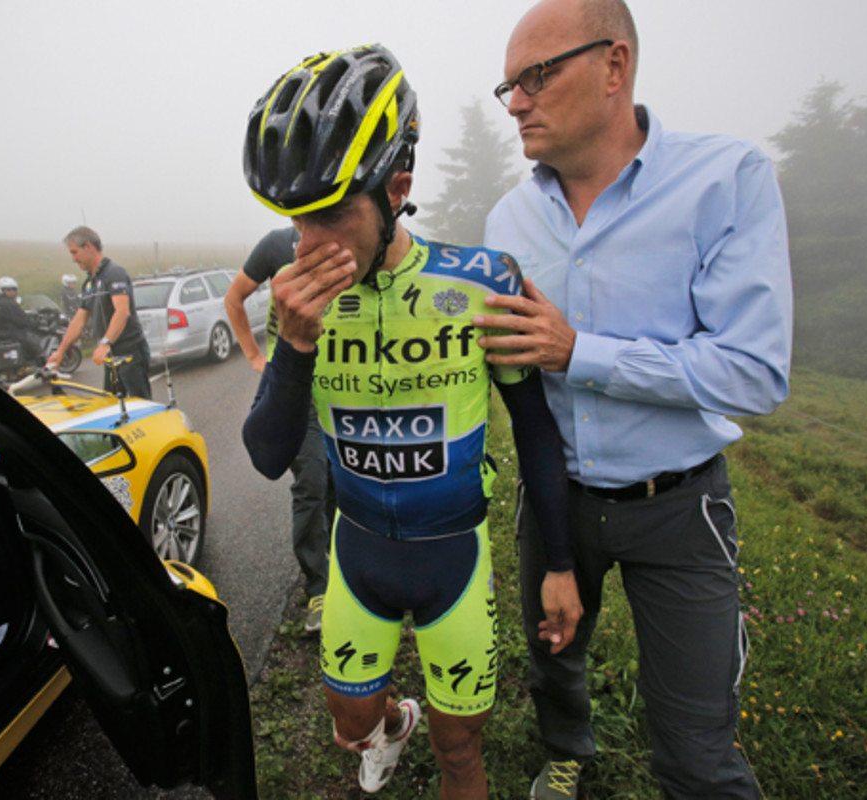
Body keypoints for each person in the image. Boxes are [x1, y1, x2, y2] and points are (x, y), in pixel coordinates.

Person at [241, 44, 579, 799]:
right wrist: (294, 348)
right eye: (296, 220)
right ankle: (394, 725)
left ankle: (432, 732)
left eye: (331, 213)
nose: (308, 244)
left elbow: (534, 432)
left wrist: (558, 564)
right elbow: (266, 455)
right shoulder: (298, 300)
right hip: (357, 551)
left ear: (397, 188)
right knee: (347, 722)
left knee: (462, 754)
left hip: (452, 557)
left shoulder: (483, 282)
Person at [477, 1, 793, 797]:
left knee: (695, 745)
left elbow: (754, 372)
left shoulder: (725, 178)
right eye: (508, 84)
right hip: (557, 505)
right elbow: (510, 373)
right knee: (553, 656)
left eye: (536, 76)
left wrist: (581, 353)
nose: (516, 100)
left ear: (614, 66)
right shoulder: (507, 220)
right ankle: (566, 752)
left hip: (679, 508)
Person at [225, 226, 335, 632]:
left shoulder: (351, 239)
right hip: (296, 389)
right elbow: (234, 297)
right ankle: (318, 586)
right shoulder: (276, 244)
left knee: (339, 480)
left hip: (345, 391)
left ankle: (343, 570)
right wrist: (256, 357)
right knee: (311, 480)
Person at [47, 226, 152, 399]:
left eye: (75, 252)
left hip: (129, 352)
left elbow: (122, 311)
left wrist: (105, 343)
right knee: (110, 406)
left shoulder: (114, 273)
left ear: (88, 247)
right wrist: (60, 351)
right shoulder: (90, 282)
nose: (73, 259)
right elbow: (79, 321)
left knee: (140, 406)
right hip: (111, 355)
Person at [0, 276, 45, 363]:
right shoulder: (9, 304)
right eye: (8, 290)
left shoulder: (0, 302)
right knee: (36, 346)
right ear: (2, 290)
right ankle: (39, 365)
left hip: (4, 331)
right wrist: (35, 324)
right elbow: (22, 320)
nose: (12, 292)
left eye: (13, 290)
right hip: (12, 332)